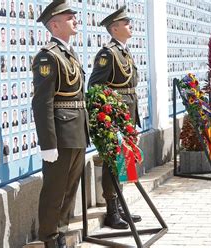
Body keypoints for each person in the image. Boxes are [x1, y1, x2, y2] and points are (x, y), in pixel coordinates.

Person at [32, 1, 89, 247]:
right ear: (54, 24)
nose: (75, 20)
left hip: (76, 130)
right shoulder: (48, 56)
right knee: (55, 189)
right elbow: (42, 102)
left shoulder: (69, 52)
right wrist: (48, 143)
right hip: (61, 133)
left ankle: (61, 231)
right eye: (69, 18)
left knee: (69, 189)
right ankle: (50, 237)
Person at [88, 5, 142, 230]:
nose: (131, 26)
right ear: (115, 28)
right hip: (116, 115)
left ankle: (120, 207)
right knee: (113, 161)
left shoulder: (124, 50)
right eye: (126, 23)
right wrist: (111, 113)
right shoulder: (107, 53)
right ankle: (111, 211)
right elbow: (95, 86)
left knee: (123, 161)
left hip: (128, 111)